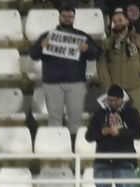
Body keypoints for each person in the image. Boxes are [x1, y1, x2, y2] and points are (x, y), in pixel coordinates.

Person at [29, 3, 100, 134]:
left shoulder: (82, 36)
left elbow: (96, 54)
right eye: (65, 16)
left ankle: (73, 149)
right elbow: (33, 54)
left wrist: (87, 49)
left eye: (70, 16)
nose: (67, 18)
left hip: (76, 82)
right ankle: (56, 148)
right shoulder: (48, 35)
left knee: (75, 119)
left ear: (74, 18)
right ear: (59, 17)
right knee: (54, 119)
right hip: (52, 83)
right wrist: (41, 46)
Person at [86, 85, 140, 187]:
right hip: (103, 160)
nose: (112, 103)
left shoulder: (131, 113)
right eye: (110, 100)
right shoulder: (100, 114)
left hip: (125, 160)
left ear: (122, 99)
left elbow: (139, 133)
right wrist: (102, 132)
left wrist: (120, 132)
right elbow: (88, 136)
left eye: (115, 100)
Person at [98, 8, 140, 119]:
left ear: (127, 21)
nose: (117, 23)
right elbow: (101, 65)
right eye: (115, 21)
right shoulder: (107, 42)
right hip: (115, 88)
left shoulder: (139, 39)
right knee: (116, 119)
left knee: (138, 118)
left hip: (136, 86)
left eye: (120, 20)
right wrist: (107, 84)